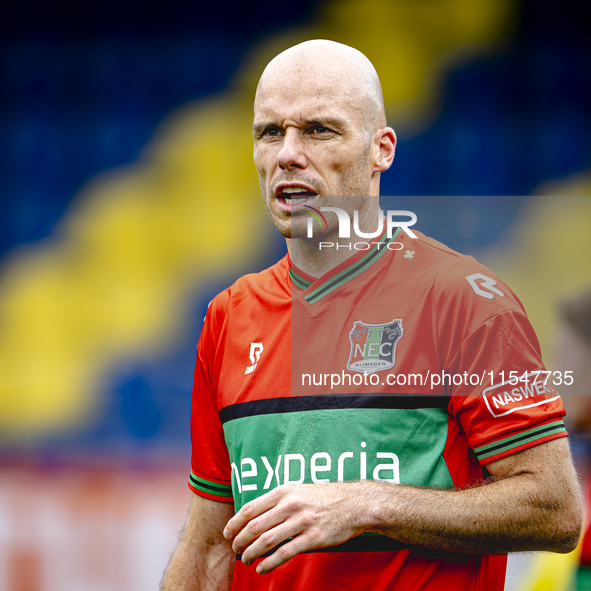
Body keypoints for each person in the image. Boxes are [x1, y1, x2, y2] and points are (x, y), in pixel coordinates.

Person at [160, 40, 582, 591]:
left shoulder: (465, 300)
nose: (287, 153)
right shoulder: (228, 316)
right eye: (269, 132)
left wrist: (367, 503)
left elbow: (555, 510)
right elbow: (210, 543)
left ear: (381, 149)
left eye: (318, 130)